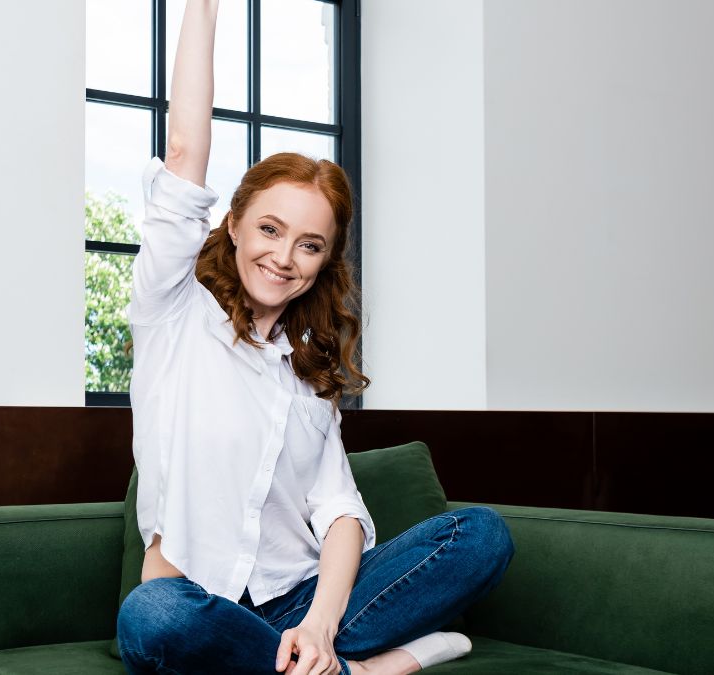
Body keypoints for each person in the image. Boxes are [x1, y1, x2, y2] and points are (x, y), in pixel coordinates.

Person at [115, 1, 515, 673]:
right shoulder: (173, 311)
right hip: (197, 604)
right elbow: (183, 151)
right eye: (270, 229)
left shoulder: (307, 372)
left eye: (309, 244)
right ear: (235, 222)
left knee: (480, 534)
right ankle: (374, 668)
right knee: (151, 617)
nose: (283, 257)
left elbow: (341, 518)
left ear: (324, 261)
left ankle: (311, 659)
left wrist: (321, 627)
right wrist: (203, 7)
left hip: (296, 601)